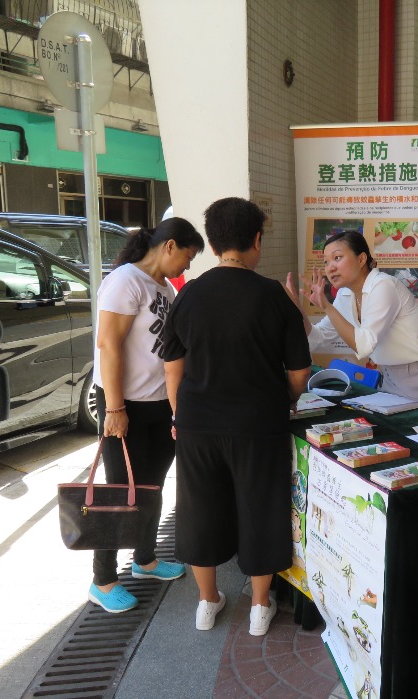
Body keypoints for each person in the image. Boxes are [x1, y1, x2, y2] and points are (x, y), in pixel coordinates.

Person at [163, 197, 311, 637]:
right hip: (259, 425)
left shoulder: (188, 295)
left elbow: (173, 367)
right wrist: (281, 398)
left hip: (197, 424)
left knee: (200, 510)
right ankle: (260, 608)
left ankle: (207, 603)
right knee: (261, 508)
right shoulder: (273, 296)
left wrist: (180, 416)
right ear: (257, 240)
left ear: (211, 243)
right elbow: (300, 372)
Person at [88, 217, 205, 613]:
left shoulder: (162, 288)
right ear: (169, 246)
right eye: (186, 258)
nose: (185, 268)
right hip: (127, 405)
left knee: (152, 487)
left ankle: (145, 560)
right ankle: (102, 580)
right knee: (120, 495)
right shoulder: (126, 281)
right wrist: (116, 407)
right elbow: (109, 345)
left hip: (157, 405)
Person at [285, 230, 418, 405]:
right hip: (390, 373)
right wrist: (297, 311)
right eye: (326, 262)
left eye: (337, 258)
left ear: (362, 259)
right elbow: (318, 338)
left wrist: (326, 306)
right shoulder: (345, 294)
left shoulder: (383, 285)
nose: (330, 267)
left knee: (417, 429)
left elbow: (364, 345)